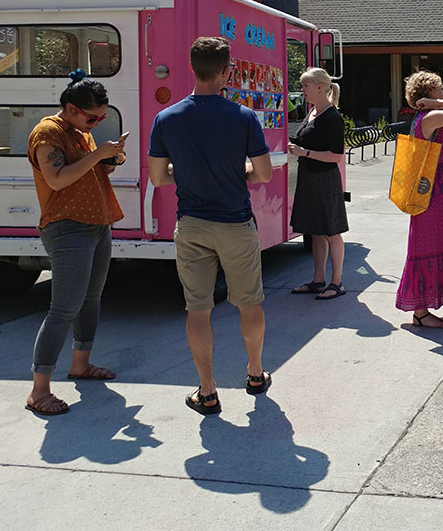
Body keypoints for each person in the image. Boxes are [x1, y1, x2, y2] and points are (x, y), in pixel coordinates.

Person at [148, 37, 273, 415]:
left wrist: (187, 173)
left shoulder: (167, 118)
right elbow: (263, 173)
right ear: (226, 71)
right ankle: (254, 372)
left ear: (191, 68)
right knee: (249, 303)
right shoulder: (243, 116)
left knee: (197, 310)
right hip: (235, 223)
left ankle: (207, 390)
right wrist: (241, 169)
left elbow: (158, 177)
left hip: (192, 225)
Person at [24, 70, 127, 416]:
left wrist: (108, 161)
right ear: (70, 108)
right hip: (67, 227)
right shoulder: (48, 132)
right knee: (64, 308)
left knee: (91, 299)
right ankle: (39, 391)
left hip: (96, 223)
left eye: (102, 117)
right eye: (92, 116)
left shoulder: (80, 132)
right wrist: (98, 157)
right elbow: (55, 179)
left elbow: (85, 172)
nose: (97, 123)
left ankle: (80, 365)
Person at [395, 71, 443, 328]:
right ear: (428, 94)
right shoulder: (427, 118)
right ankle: (420, 312)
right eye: (440, 90)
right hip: (431, 199)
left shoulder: (431, 118)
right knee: (427, 249)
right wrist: (437, 105)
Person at [287, 67, 348, 300]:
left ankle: (337, 282)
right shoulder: (312, 113)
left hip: (325, 180)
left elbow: (336, 155)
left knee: (331, 231)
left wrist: (306, 152)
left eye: (305, 86)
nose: (302, 90)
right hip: (310, 177)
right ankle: (319, 280)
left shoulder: (332, 117)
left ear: (319, 87)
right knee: (316, 231)